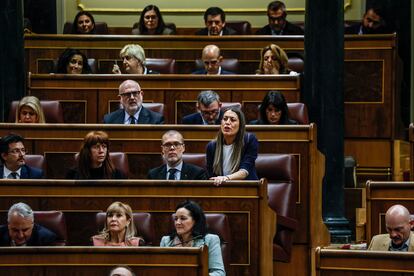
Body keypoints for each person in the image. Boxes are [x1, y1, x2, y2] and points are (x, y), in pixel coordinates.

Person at [160, 200, 225, 276]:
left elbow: (219, 273)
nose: (177, 222)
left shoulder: (210, 240)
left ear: (196, 221)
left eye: (183, 218)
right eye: (176, 218)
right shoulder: (166, 241)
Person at [206, 107, 258, 186]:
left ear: (240, 124)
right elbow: (211, 175)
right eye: (225, 119)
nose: (227, 122)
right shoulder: (212, 146)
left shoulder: (249, 140)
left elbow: (245, 171)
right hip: (220, 189)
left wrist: (226, 178)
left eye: (232, 120)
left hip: (246, 189)